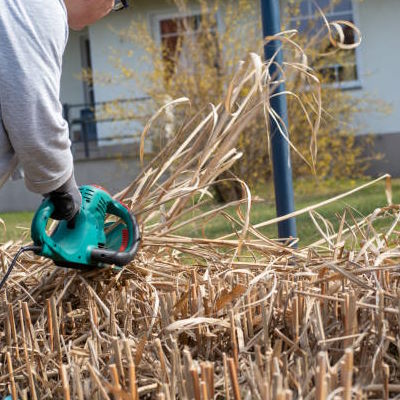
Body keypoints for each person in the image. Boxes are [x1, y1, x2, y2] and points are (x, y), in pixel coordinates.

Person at [0, 0, 115, 220]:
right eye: (118, 4)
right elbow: (33, 114)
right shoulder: (41, 7)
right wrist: (63, 188)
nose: (109, 11)